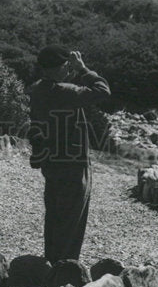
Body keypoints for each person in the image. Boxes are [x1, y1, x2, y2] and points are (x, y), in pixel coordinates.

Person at [27, 45, 110, 264]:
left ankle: (51, 264)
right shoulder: (66, 92)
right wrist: (83, 69)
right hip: (73, 163)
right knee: (72, 219)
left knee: (55, 216)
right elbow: (103, 90)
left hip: (51, 161)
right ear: (60, 67)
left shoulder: (36, 90)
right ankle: (65, 270)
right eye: (66, 65)